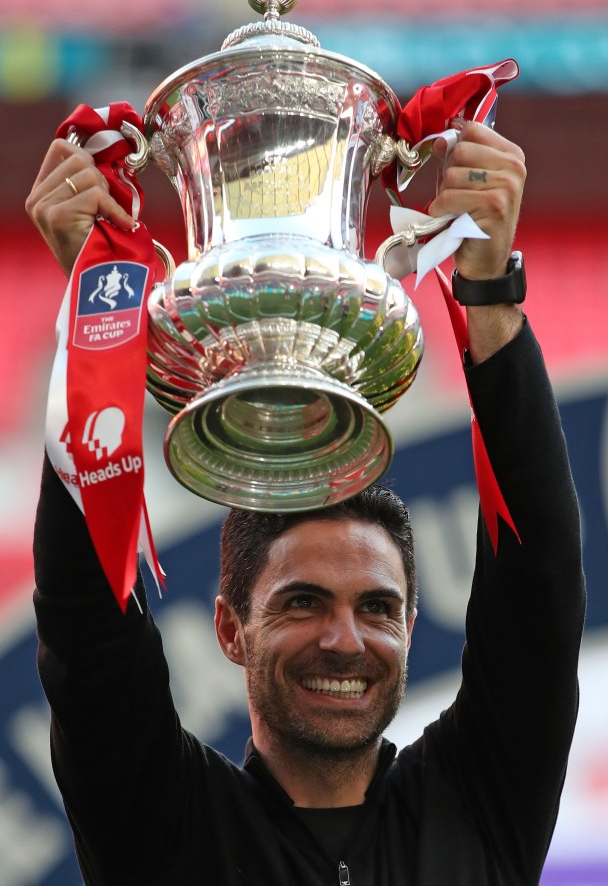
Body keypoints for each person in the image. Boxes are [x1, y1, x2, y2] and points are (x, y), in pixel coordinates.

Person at [26, 122, 585, 886]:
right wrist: (100, 314)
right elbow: (87, 632)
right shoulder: (161, 819)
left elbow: (539, 582)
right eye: (302, 602)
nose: (345, 638)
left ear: (412, 628)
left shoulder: (481, 798)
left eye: (379, 607)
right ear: (231, 627)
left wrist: (486, 290)